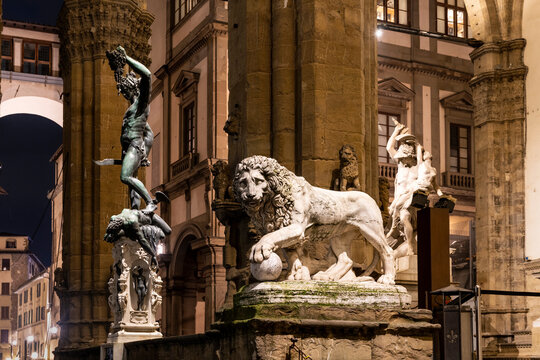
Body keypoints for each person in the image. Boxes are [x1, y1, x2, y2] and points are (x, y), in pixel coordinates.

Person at [107, 46, 156, 211]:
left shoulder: (141, 105)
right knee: (132, 183)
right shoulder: (133, 107)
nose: (123, 92)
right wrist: (144, 150)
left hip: (134, 146)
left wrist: (126, 58)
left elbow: (147, 75)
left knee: (125, 176)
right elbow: (149, 132)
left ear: (132, 88)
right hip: (130, 147)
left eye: (125, 89)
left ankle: (150, 202)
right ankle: (135, 211)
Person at [386, 121, 418, 257]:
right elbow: (389, 148)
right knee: (393, 227)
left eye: (405, 158)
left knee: (405, 218)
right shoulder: (400, 165)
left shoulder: (417, 167)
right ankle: (398, 244)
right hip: (397, 202)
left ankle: (410, 247)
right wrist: (396, 131)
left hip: (409, 200)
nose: (402, 160)